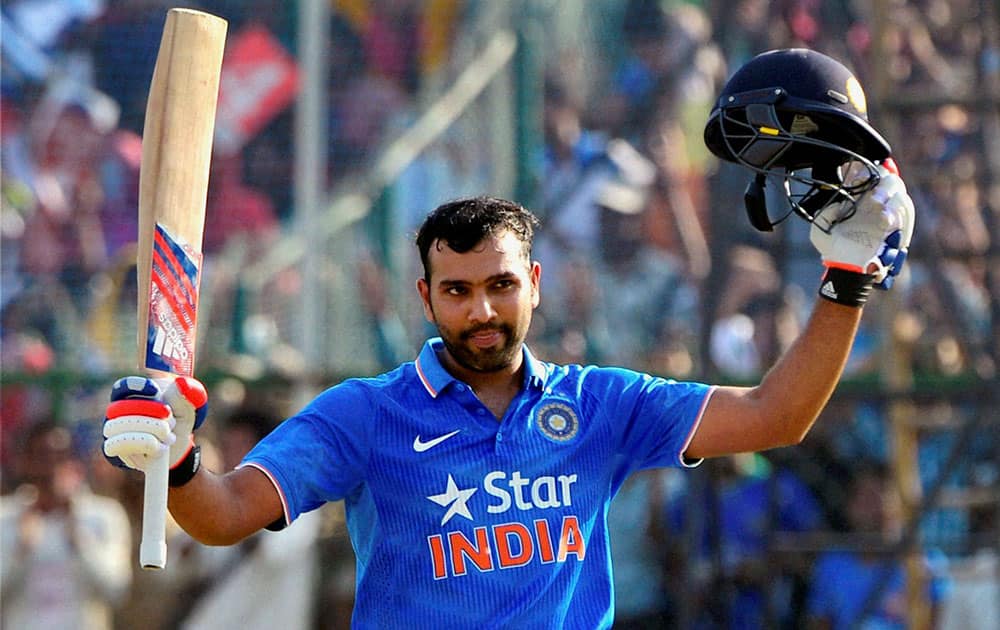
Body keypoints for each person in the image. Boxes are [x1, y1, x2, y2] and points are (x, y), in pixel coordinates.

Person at [100, 50, 915, 628]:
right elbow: (224, 513)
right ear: (426, 297)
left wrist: (846, 283)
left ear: (536, 286)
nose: (481, 311)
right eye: (457, 292)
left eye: (500, 286)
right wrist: (175, 462)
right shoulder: (364, 415)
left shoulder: (598, 404)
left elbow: (777, 416)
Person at [1, 420, 132, 630]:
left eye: (60, 457)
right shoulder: (5, 517)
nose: (51, 467)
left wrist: (80, 541)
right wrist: (19, 551)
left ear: (75, 462)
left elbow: (117, 590)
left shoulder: (104, 516)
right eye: (42, 456)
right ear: (24, 461)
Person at [806, 459, 952, 630]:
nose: (878, 506)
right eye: (867, 498)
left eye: (884, 494)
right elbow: (819, 623)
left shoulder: (928, 563)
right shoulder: (831, 565)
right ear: (850, 508)